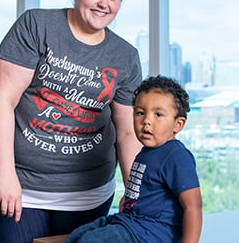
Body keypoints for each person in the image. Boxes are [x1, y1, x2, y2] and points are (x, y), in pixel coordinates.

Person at [0, 0, 142, 243]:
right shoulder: (36, 26)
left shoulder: (125, 56)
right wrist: (6, 174)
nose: (103, 3)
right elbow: (2, 102)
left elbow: (126, 133)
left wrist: (134, 193)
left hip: (88, 194)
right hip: (19, 185)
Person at [65, 75, 203, 243]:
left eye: (158, 114)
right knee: (77, 236)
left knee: (89, 241)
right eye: (140, 113)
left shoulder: (176, 156)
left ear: (178, 124)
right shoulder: (146, 152)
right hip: (129, 221)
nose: (146, 121)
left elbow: (193, 206)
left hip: (151, 232)